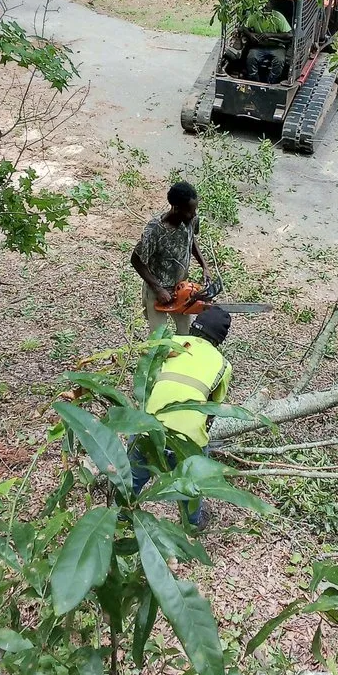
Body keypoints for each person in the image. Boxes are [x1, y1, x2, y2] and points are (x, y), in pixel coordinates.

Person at [129, 305, 233, 529]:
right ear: (220, 339)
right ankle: (192, 524)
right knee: (190, 484)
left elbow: (144, 377)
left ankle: (120, 514)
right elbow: (211, 409)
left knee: (132, 479)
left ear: (195, 326)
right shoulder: (222, 364)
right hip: (186, 442)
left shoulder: (169, 342)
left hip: (146, 427)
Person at [131, 181, 210, 336]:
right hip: (157, 290)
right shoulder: (155, 231)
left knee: (185, 335)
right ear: (176, 208)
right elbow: (136, 260)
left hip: (181, 288)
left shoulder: (191, 219)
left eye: (195, 210)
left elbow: (191, 239)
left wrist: (204, 266)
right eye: (189, 211)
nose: (194, 214)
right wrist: (158, 289)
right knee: (159, 339)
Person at [244, 0, 292, 85]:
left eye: (267, 4)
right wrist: (250, 35)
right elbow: (244, 28)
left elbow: (289, 34)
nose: (265, 7)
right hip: (259, 47)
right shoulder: (255, 16)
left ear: (271, 4)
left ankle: (271, 82)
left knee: (279, 60)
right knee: (251, 58)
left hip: (276, 47)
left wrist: (270, 35)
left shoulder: (277, 17)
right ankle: (255, 82)